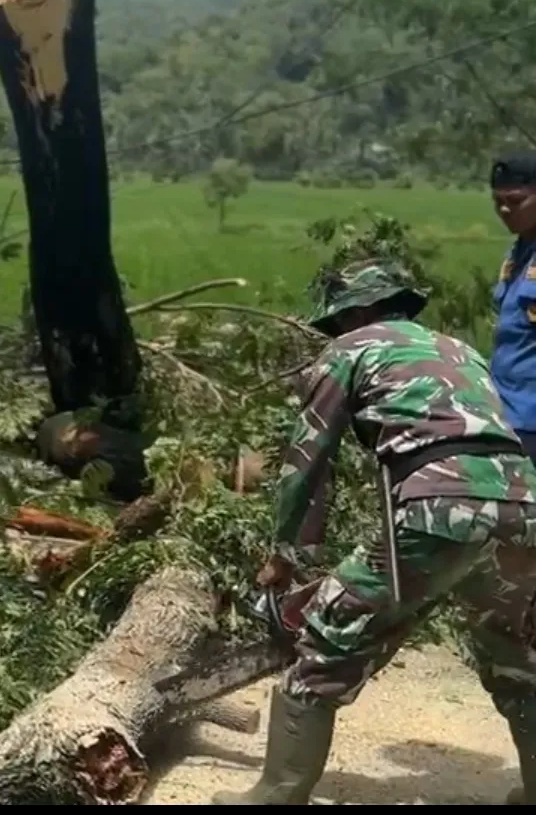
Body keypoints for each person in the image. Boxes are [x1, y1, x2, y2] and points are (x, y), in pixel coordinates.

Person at [213, 259, 536, 806]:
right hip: (523, 507)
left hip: (438, 511)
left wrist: (285, 555)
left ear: (356, 311)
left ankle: (275, 794)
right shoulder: (460, 351)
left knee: (324, 640)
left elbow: (308, 460)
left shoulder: (350, 350)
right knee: (514, 656)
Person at [491, 150, 536, 464]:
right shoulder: (519, 251)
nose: (506, 209)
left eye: (517, 200)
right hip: (506, 413)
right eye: (498, 202)